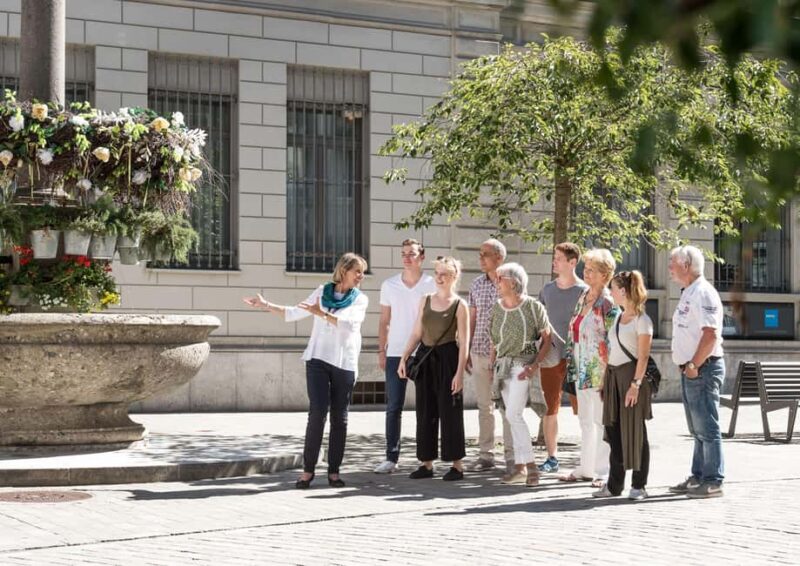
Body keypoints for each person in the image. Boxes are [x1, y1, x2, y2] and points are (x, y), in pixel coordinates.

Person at [243, 253, 369, 489]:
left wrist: (320, 313)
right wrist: (266, 305)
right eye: (358, 271)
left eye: (363, 272)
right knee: (317, 412)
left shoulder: (360, 299)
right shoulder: (323, 291)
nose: (361, 276)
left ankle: (333, 472)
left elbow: (349, 326)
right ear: (344, 271)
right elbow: (294, 313)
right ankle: (308, 471)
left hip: (344, 362)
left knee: (339, 418)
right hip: (317, 358)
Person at [399, 256, 470, 481]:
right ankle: (426, 463)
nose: (439, 278)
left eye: (444, 274)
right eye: (437, 273)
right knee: (425, 411)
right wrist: (404, 357)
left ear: (454, 277)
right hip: (426, 358)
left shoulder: (460, 305)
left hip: (448, 358)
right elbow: (416, 332)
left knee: (451, 411)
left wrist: (459, 374)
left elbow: (464, 342)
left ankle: (457, 465)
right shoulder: (425, 300)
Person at [668, 244, 726, 499]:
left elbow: (710, 334)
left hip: (702, 368)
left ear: (687, 266)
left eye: (673, 263)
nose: (669, 268)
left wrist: (693, 365)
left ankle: (713, 480)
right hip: (691, 369)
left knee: (707, 427)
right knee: (697, 428)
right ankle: (698, 476)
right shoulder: (689, 291)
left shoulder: (703, 293)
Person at [374, 239, 435, 474]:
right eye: (403, 254)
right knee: (393, 406)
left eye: (411, 254)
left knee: (425, 407)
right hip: (395, 352)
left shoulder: (431, 283)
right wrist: (382, 351)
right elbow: (384, 321)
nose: (407, 258)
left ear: (421, 257)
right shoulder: (389, 285)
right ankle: (391, 457)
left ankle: (425, 458)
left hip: (423, 352)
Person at [592, 270, 653, 501]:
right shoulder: (618, 317)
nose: (610, 292)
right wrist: (603, 382)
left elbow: (644, 357)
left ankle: (639, 485)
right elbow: (611, 350)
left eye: (613, 288)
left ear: (624, 291)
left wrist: (635, 385)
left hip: (631, 378)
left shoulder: (642, 321)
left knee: (636, 432)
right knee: (614, 431)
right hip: (613, 377)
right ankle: (614, 485)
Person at [489, 262, 552, 487]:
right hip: (502, 367)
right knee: (510, 416)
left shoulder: (533, 307)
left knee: (514, 415)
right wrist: (491, 368)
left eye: (500, 278)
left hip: (523, 366)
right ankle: (519, 467)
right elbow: (494, 342)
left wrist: (534, 365)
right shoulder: (496, 307)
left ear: (513, 282)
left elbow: (547, 339)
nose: (496, 282)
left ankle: (532, 467)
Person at [561, 248, 619, 487]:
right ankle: (586, 467)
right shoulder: (584, 296)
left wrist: (609, 374)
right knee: (585, 418)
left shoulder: (608, 302)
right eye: (586, 268)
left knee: (600, 420)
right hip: (580, 365)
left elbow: (613, 338)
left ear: (605, 274)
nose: (587, 273)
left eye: (592, 270)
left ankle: (603, 470)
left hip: (599, 368)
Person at [537, 242, 588, 474]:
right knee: (551, 408)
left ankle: (586, 457)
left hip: (578, 358)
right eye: (554, 257)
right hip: (550, 357)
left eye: (558, 258)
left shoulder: (585, 292)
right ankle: (552, 457)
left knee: (584, 410)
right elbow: (539, 321)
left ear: (572, 262)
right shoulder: (547, 290)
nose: (554, 261)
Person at [466, 239, 513, 472]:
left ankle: (512, 456)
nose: (481, 258)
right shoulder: (475, 284)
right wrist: (466, 350)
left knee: (507, 407)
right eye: (480, 253)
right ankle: (486, 455)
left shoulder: (511, 283)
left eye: (485, 254)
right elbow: (471, 319)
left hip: (506, 355)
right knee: (485, 406)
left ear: (499, 258)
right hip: (479, 352)